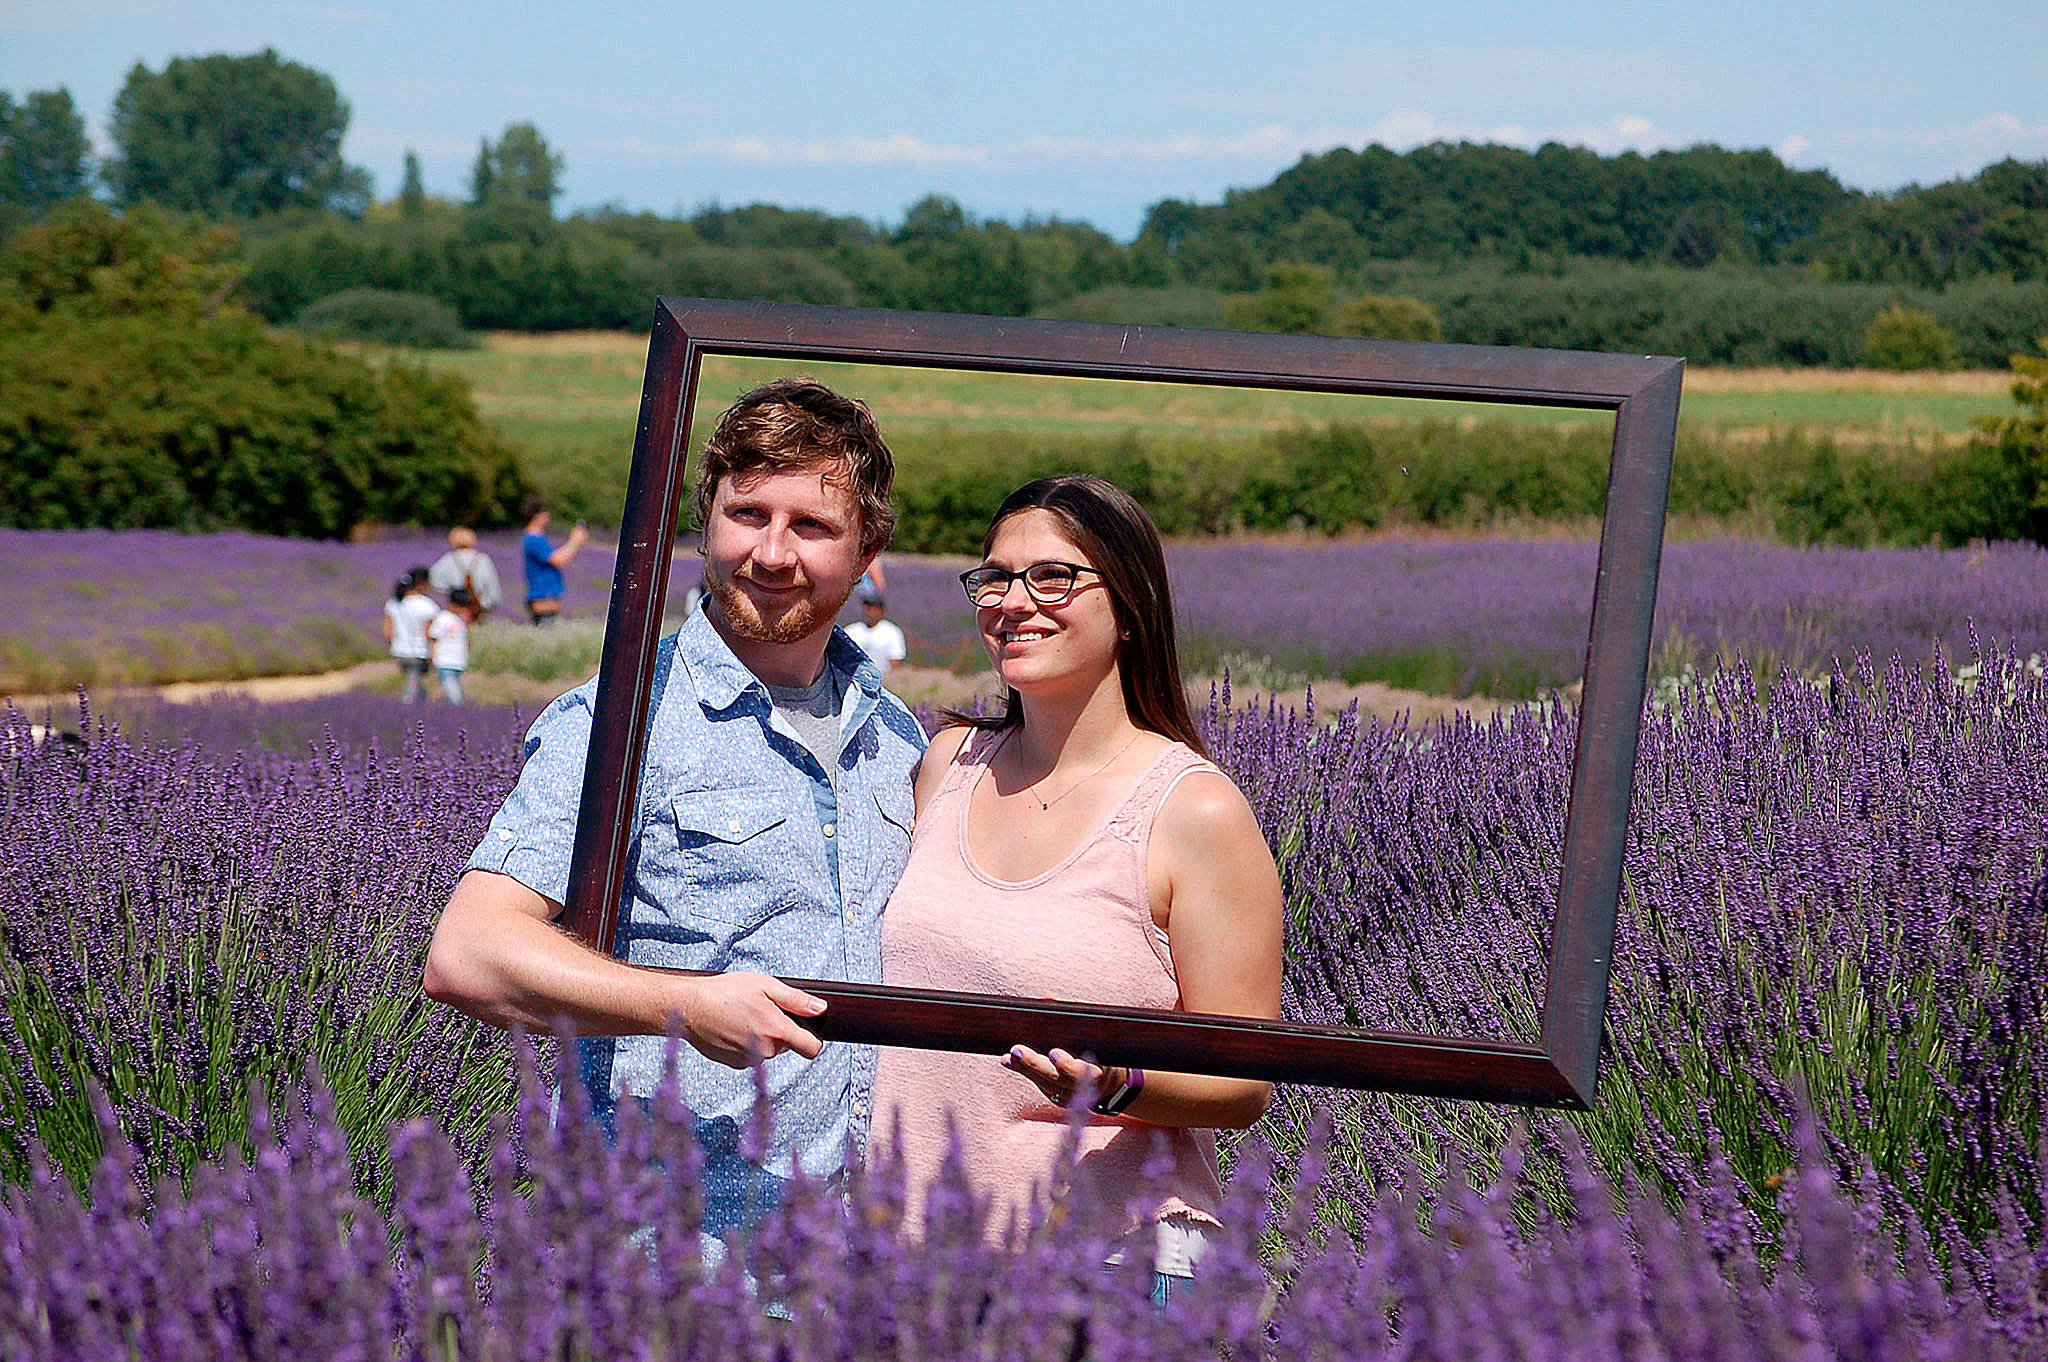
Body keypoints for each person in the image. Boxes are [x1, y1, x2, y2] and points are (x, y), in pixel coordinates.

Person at [423, 377, 927, 1239]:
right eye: (747, 515)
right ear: (704, 522)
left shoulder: (899, 737)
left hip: (859, 1262)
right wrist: (685, 1007)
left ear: (869, 544)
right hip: (669, 1255)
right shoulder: (621, 721)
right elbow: (469, 954)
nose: (771, 554)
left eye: (811, 525)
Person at [871, 474, 1283, 1300]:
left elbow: (1244, 1082)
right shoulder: (948, 764)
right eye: (995, 577)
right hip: (918, 1258)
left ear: (1128, 606)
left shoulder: (1194, 810)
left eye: (1052, 576)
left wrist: (1113, 1082)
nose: (1012, 601)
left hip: (1108, 1263)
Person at [521, 498, 589, 626]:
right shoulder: (534, 539)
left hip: (546, 601)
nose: (548, 516)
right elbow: (559, 560)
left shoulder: (535, 538)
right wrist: (575, 541)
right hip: (543, 601)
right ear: (536, 516)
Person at [381, 567, 438, 703]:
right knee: (411, 690)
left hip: (400, 651)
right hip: (418, 652)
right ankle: (408, 714)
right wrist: (433, 655)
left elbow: (388, 632)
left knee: (414, 683)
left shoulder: (393, 603)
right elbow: (429, 634)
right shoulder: (428, 605)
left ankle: (421, 709)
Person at [429, 527, 503, 618]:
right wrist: (488, 603)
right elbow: (493, 587)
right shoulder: (483, 559)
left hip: (457, 608)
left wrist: (452, 592)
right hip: (478, 606)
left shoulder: (448, 559)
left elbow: (434, 581)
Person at [428, 586, 482, 704]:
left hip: (458, 662)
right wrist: (432, 657)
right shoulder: (443, 618)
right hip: (445, 662)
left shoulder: (462, 620)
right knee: (455, 697)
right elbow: (433, 638)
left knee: (453, 691)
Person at [844, 596, 907, 681]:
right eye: (868, 609)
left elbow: (895, 663)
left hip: (882, 680)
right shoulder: (852, 630)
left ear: (881, 612)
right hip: (854, 680)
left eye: (874, 610)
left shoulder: (892, 632)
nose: (870, 613)